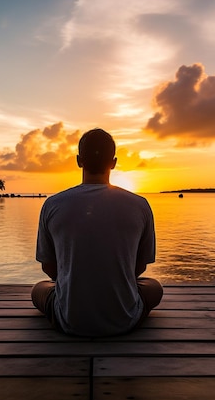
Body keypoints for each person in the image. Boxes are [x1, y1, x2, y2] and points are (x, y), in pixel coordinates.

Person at [31, 128, 163, 337]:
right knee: (154, 287)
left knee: (39, 288)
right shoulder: (140, 205)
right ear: (113, 162)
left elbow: (49, 267)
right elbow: (140, 266)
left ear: (78, 160)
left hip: (69, 320)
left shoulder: (52, 205)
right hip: (124, 320)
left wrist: (76, 281)